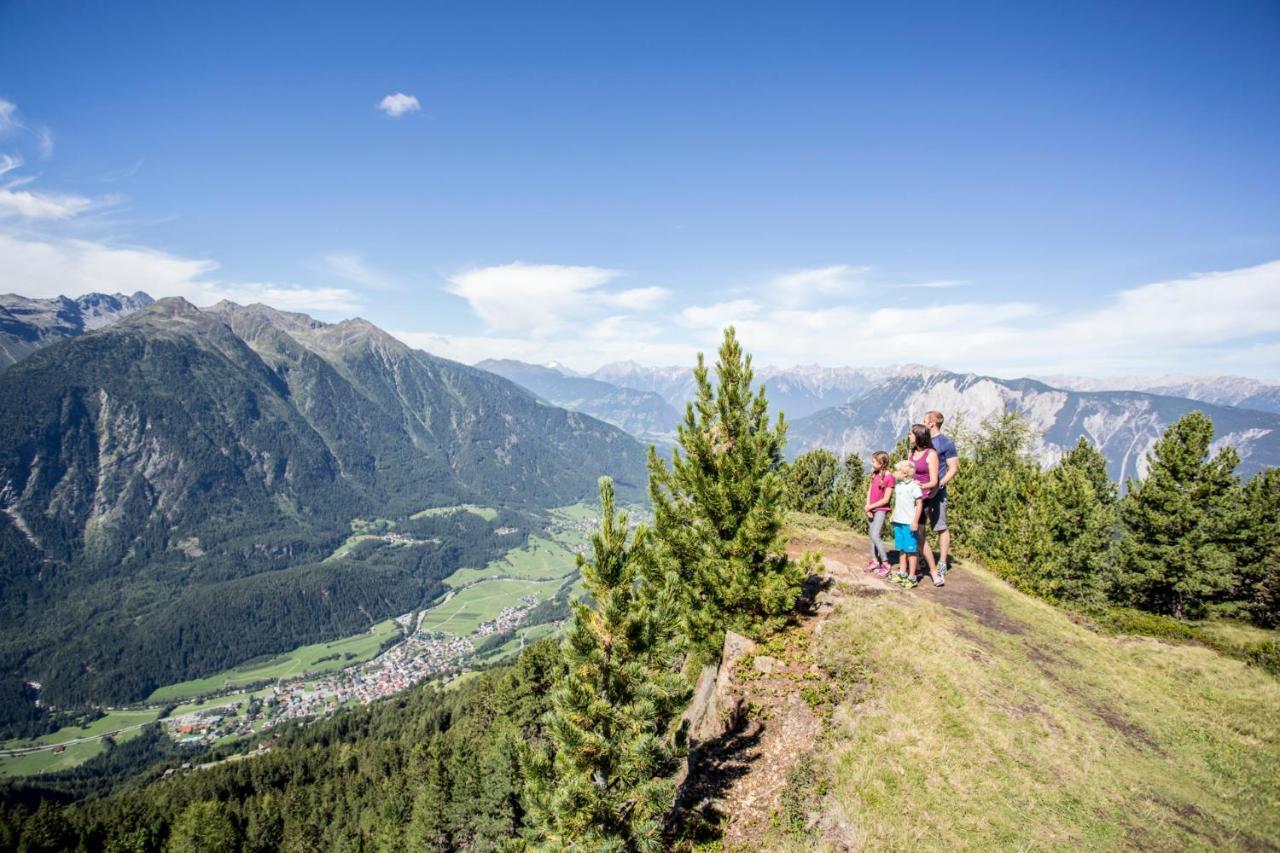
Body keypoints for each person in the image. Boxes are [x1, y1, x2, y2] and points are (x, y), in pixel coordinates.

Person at [889, 460, 939, 588]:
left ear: (904, 473)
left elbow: (919, 504)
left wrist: (915, 521)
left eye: (897, 471)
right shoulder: (899, 485)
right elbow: (898, 502)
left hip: (909, 522)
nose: (894, 473)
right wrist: (894, 514)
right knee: (901, 548)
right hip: (899, 521)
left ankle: (912, 577)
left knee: (911, 550)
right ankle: (902, 573)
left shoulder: (914, 486)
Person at [923, 410, 959, 575]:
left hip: (938, 492)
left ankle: (943, 562)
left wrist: (940, 484)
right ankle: (923, 556)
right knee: (920, 526)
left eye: (925, 421)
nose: (923, 423)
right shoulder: (923, 441)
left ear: (932, 423)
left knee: (940, 526)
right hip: (922, 491)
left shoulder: (946, 443)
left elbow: (953, 468)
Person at [908, 424, 941, 579]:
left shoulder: (931, 454)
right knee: (911, 532)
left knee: (919, 534)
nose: (909, 437)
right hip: (909, 497)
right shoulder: (912, 452)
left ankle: (934, 571)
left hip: (922, 498)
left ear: (919, 436)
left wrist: (921, 485)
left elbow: (934, 481)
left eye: (911, 434)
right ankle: (918, 566)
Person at [863, 451, 894, 577]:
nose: (872, 463)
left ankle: (886, 563)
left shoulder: (889, 477)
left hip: (881, 509)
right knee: (871, 535)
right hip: (872, 508)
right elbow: (870, 489)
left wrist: (871, 506)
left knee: (875, 535)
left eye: (874, 461)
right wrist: (868, 506)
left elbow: (886, 499)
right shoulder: (874, 474)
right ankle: (875, 560)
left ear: (881, 463)